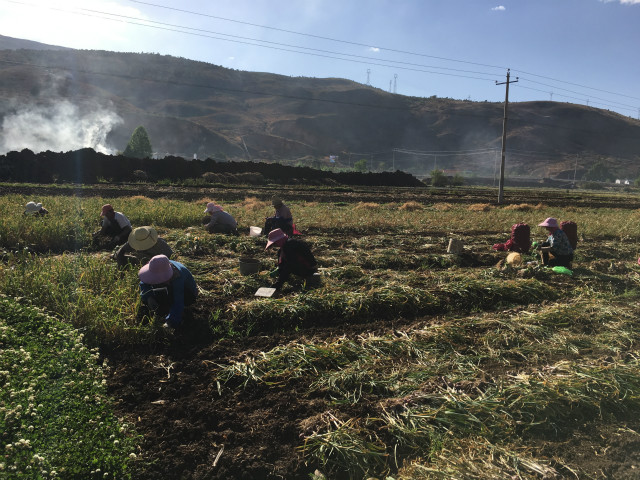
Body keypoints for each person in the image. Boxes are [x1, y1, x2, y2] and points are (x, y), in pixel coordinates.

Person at [138, 254, 197, 329]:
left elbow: (178, 300)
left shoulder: (178, 276)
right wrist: (149, 297)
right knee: (158, 291)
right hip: (170, 287)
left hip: (188, 293)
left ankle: (179, 313)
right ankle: (166, 306)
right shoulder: (156, 267)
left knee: (176, 302)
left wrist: (171, 322)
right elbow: (144, 283)